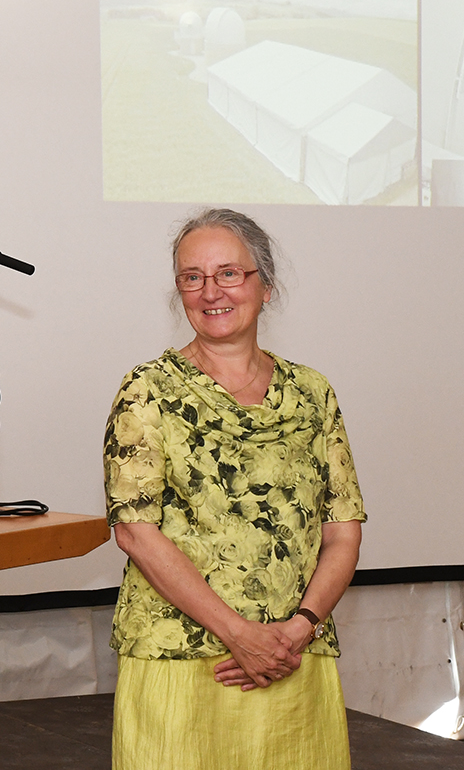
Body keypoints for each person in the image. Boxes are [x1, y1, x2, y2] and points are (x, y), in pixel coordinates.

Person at [104, 208, 366, 769]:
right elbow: (135, 533)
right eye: (191, 277)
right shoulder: (147, 390)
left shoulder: (313, 392)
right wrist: (240, 635)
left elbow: (343, 532)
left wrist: (299, 628)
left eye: (229, 273)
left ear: (264, 286)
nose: (210, 291)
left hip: (294, 658)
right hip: (183, 659)